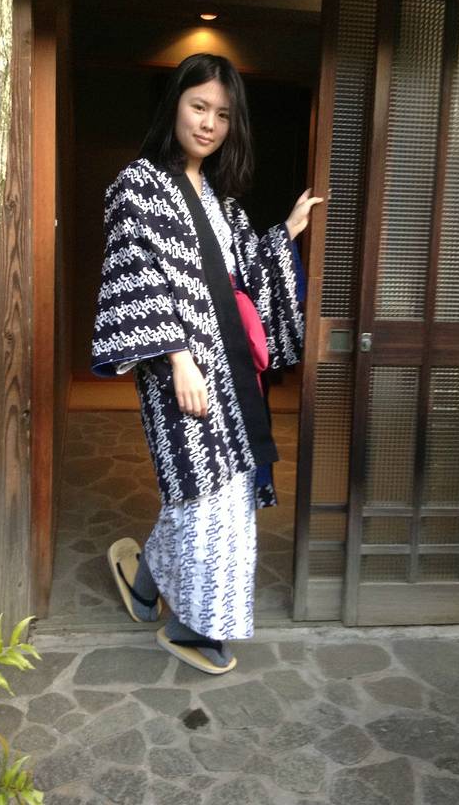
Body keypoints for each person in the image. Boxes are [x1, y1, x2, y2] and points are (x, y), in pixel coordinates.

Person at [91, 52, 323, 674]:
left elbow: (244, 273)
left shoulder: (222, 201)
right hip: (179, 372)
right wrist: (178, 360)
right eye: (199, 107)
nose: (209, 124)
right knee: (206, 491)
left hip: (231, 373)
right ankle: (195, 628)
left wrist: (287, 232)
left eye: (222, 115)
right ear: (175, 105)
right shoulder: (138, 185)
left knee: (224, 486)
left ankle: (145, 586)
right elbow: (138, 277)